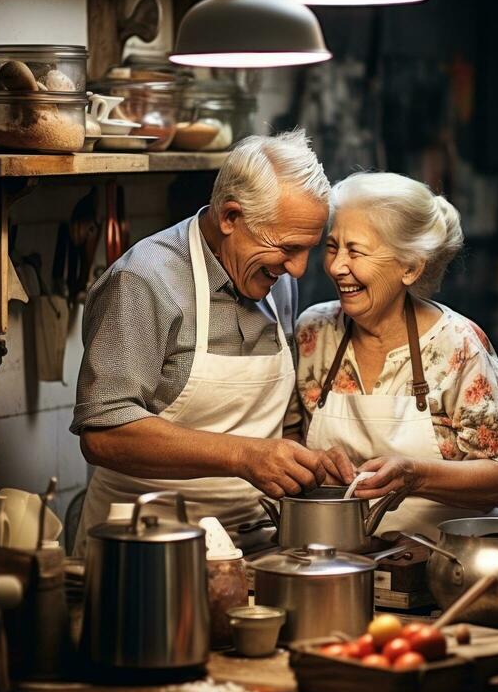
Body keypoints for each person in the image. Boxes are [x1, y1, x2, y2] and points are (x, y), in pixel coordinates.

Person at [72, 129, 333, 553]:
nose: (299, 269)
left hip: (252, 545)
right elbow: (103, 433)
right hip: (145, 546)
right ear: (230, 217)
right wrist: (243, 456)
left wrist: (305, 459)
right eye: (288, 248)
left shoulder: (273, 277)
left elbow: (274, 420)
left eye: (308, 249)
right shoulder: (144, 280)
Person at [295, 171, 498, 539]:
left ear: (410, 268)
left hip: (446, 562)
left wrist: (414, 475)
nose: (337, 266)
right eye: (332, 246)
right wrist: (315, 466)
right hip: (340, 558)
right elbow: (290, 439)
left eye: (355, 251)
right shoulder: (313, 331)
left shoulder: (458, 344)